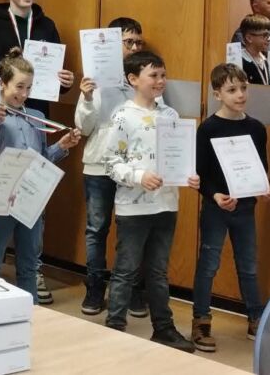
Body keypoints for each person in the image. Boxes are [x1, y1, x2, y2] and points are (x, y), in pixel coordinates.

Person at [103, 51, 199, 353]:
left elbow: (180, 157)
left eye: (163, 75)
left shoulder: (170, 115)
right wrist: (138, 176)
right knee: (126, 269)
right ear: (133, 79)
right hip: (133, 207)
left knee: (158, 271)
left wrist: (189, 175)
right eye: (153, 76)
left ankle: (164, 328)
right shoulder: (122, 116)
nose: (160, 81)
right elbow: (110, 163)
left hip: (166, 205)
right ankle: (114, 326)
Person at [0, 51, 82, 302]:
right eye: (19, 86)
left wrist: (62, 146)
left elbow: (43, 158)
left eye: (29, 87)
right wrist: (6, 173)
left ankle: (31, 314)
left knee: (29, 265)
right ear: (2, 83)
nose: (24, 93)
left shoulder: (37, 117)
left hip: (31, 201)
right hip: (1, 201)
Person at [191, 63, 270, 353]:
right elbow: (200, 173)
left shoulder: (256, 128)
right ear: (217, 94)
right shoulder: (208, 129)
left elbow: (260, 168)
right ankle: (201, 320)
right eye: (231, 90)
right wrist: (215, 195)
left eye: (243, 88)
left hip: (245, 208)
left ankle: (255, 318)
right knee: (208, 265)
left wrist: (264, 188)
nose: (240, 95)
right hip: (216, 209)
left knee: (248, 265)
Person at [74, 16, 147, 315]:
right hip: (99, 166)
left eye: (138, 42)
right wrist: (87, 97)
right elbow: (83, 127)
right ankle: (94, 289)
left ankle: (130, 291)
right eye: (128, 42)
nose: (134, 48)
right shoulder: (95, 81)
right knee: (96, 230)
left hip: (133, 169)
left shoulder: (145, 79)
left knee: (132, 230)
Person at [236, 14, 270, 86]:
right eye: (265, 35)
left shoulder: (265, 59)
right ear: (249, 38)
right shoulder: (239, 62)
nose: (269, 39)